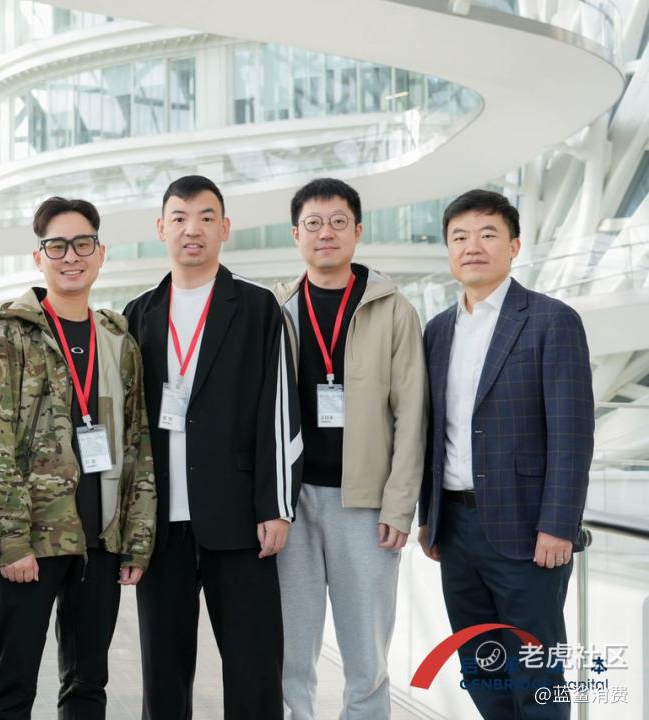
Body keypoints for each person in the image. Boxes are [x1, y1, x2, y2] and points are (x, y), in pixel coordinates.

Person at [124, 175, 302, 719]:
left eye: (205, 217)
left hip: (240, 518)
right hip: (161, 524)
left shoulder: (257, 307)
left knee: (254, 669)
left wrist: (276, 505)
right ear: (161, 229)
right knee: (163, 674)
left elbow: (279, 409)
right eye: (179, 218)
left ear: (225, 228)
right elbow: (126, 426)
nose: (192, 229)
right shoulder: (137, 314)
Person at [0, 196, 156, 719]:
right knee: (13, 685)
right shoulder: (12, 332)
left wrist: (136, 540)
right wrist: (10, 540)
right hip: (33, 539)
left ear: (100, 253)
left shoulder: (117, 339)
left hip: (100, 539)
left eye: (82, 244)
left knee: (88, 684)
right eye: (57, 246)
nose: (71, 256)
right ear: (39, 257)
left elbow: (137, 444)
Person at [418, 189, 594, 719]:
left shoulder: (550, 320)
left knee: (537, 676)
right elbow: (434, 431)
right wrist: (430, 517)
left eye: (488, 234)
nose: (472, 246)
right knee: (482, 669)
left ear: (514, 246)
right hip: (455, 531)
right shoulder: (436, 331)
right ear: (449, 250)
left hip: (528, 531)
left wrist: (558, 524)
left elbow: (572, 432)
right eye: (460, 237)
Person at [272, 178, 427, 719]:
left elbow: (412, 415)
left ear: (357, 231)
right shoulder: (277, 309)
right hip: (291, 505)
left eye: (338, 222)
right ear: (296, 234)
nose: (326, 233)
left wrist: (399, 506)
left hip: (366, 506)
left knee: (367, 658)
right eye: (313, 224)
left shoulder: (393, 309)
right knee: (290, 653)